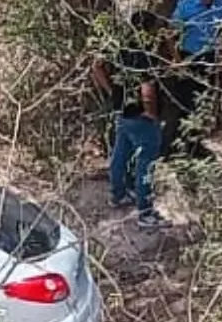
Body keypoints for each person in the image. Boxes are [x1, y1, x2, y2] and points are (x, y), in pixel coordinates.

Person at [91, 9, 169, 229]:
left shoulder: (119, 48)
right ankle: (145, 213)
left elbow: (96, 66)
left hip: (122, 111)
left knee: (120, 154)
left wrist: (112, 93)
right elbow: (147, 87)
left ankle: (118, 195)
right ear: (149, 30)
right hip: (141, 117)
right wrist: (152, 113)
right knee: (146, 163)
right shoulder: (145, 53)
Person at [167, 0, 222, 159]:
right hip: (189, 59)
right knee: (186, 103)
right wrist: (178, 61)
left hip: (211, 60)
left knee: (204, 103)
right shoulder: (186, 6)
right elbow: (170, 35)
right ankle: (178, 147)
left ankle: (195, 145)